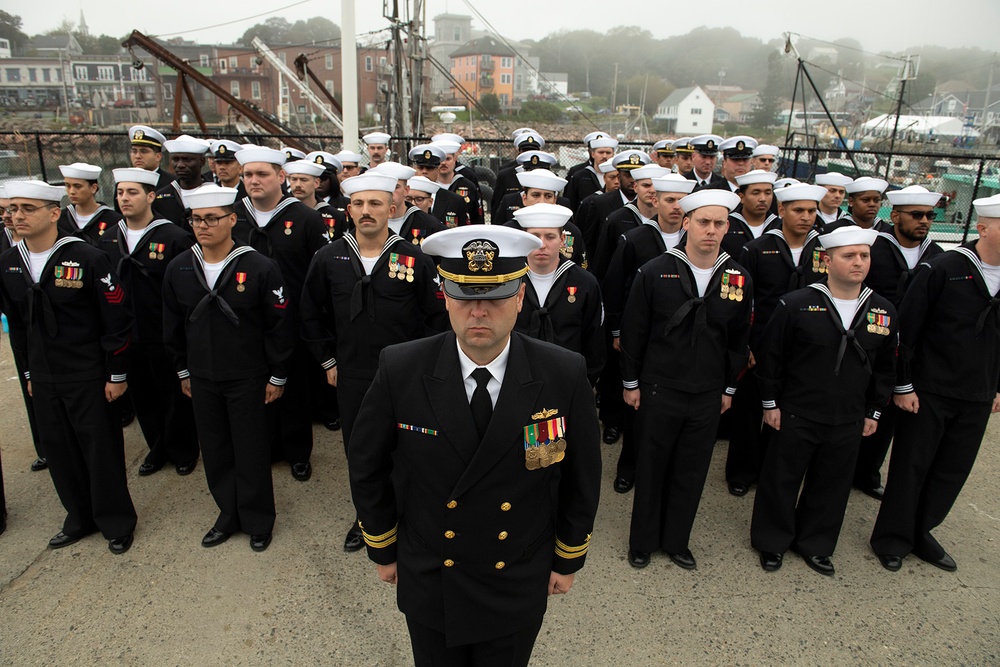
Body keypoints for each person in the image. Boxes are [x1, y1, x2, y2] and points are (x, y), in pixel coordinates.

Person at [349, 224, 601, 666]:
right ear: (444, 298)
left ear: (520, 298)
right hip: (432, 570)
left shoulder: (562, 372)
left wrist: (568, 557)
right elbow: (367, 464)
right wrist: (383, 547)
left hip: (517, 571)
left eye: (496, 296)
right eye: (464, 297)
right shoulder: (402, 367)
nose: (478, 312)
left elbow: (582, 474)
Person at [300, 172, 447, 552]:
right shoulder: (329, 257)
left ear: (392, 208)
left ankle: (407, 515)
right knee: (361, 452)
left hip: (404, 375)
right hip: (351, 375)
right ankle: (368, 520)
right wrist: (328, 360)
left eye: (376, 204)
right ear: (349, 209)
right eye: (360, 204)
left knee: (406, 448)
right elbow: (310, 313)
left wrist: (424, 365)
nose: (367, 211)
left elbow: (435, 316)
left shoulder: (413, 258)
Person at [751, 226, 897, 576]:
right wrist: (770, 404)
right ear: (827, 261)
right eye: (849, 256)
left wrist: (874, 411)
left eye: (864, 255)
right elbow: (772, 358)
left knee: (832, 485)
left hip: (848, 416)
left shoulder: (883, 310)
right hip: (797, 412)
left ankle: (816, 544)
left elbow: (887, 367)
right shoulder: (798, 304)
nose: (858, 262)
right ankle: (772, 542)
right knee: (781, 479)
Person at [0, 180, 136, 554]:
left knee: (100, 451)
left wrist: (116, 373)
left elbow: (117, 318)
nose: (17, 216)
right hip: (44, 376)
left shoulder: (87, 257)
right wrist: (28, 373)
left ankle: (116, 521)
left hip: (89, 374)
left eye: (28, 208)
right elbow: (17, 325)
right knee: (59, 452)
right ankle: (79, 517)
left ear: (54, 213)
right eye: (13, 209)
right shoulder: (10, 262)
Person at [621, 189, 751, 570]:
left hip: (708, 392)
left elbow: (739, 337)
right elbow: (634, 331)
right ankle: (642, 541)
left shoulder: (737, 276)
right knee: (652, 465)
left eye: (719, 223)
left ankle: (677, 541)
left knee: (692, 470)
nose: (711, 230)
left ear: (727, 227)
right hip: (660, 387)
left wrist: (729, 387)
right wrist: (631, 384)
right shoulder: (656, 270)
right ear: (688, 223)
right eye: (704, 222)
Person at [870, 193, 1000, 574]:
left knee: (951, 469)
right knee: (912, 465)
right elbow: (905, 333)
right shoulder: (944, 268)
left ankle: (922, 531)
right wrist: (904, 385)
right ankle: (892, 537)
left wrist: (997, 387)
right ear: (983, 228)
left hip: (977, 392)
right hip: (929, 390)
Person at [162, 184, 292, 552]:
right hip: (202, 376)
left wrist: (277, 374)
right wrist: (183, 371)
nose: (203, 226)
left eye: (212, 218)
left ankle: (257, 519)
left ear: (232, 220)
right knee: (216, 449)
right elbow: (171, 323)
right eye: (196, 219)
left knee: (250, 450)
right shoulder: (181, 266)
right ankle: (227, 515)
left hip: (248, 376)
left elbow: (279, 325)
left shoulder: (258, 266)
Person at [725, 181, 829, 497]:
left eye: (812, 211)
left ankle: (771, 468)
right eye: (798, 210)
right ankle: (741, 471)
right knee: (748, 412)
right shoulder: (756, 249)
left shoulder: (824, 250)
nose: (806, 217)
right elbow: (741, 299)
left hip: (802, 348)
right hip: (759, 346)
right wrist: (745, 344)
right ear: (781, 210)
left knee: (785, 413)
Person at [232, 146, 329, 482]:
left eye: (262, 174)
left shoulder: (305, 218)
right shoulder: (233, 215)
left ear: (281, 177)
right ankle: (268, 447)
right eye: (248, 174)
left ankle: (297, 451)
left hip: (293, 320)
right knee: (257, 387)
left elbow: (318, 274)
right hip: (246, 322)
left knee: (295, 389)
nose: (254, 181)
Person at [602, 174, 696, 491]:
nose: (676, 207)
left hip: (676, 340)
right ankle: (628, 467)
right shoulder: (636, 238)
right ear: (655, 201)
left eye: (683, 202)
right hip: (639, 332)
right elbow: (615, 285)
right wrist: (616, 329)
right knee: (635, 403)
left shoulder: (693, 242)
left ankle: (660, 470)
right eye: (670, 200)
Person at [853, 185, 944, 499]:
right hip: (870, 341)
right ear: (894, 216)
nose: (924, 221)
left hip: (911, 347)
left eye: (930, 216)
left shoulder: (936, 256)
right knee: (858, 406)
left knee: (888, 416)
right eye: (916, 215)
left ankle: (867, 472)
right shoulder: (872, 248)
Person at [107, 167, 198, 477]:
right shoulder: (110, 236)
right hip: (127, 334)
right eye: (120, 193)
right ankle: (157, 448)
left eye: (132, 192)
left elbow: (186, 288)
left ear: (150, 196)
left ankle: (183, 449)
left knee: (173, 395)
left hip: (164, 332)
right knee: (143, 396)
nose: (124, 199)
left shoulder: (172, 236)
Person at [512, 203, 605, 381]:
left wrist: (584, 382)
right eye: (535, 236)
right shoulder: (510, 280)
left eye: (550, 237)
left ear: (562, 239)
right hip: (517, 378)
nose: (542, 244)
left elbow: (594, 341)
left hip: (567, 379)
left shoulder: (585, 282)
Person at [0, 186, 45, 471]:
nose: (11, 215)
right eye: (7, 209)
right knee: (34, 395)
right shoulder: (5, 254)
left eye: (21, 209)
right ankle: (45, 447)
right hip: (27, 337)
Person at [502, 168, 588, 267]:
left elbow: (580, 269)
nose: (541, 201)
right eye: (536, 195)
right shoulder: (509, 231)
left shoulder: (571, 230)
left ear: (555, 200)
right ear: (524, 199)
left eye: (548, 196)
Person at [370, 162, 444, 246]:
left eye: (395, 187)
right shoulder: (365, 219)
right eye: (383, 187)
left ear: (406, 190)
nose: (390, 192)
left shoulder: (429, 224)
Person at [152, 135, 212, 230]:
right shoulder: (160, 198)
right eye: (175, 159)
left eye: (187, 159)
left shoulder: (213, 193)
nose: (180, 165)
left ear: (202, 161)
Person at [57, 163, 123, 247]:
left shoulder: (113, 219)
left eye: (77, 186)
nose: (71, 191)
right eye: (68, 186)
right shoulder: (60, 219)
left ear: (93, 188)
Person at [720, 169, 782, 258]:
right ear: (741, 197)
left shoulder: (779, 226)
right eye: (756, 193)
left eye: (768, 193)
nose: (763, 199)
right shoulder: (727, 224)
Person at [407, 144, 470, 228]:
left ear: (438, 171)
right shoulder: (405, 198)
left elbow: (462, 232)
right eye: (420, 168)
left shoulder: (455, 201)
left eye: (429, 168)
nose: (424, 172)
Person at [490, 130, 546, 218]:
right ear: (518, 151)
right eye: (525, 150)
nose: (529, 154)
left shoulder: (547, 176)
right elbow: (496, 205)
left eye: (533, 150)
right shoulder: (506, 175)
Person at [433, 137, 484, 225]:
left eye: (448, 159)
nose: (443, 163)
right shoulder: (429, 187)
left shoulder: (468, 186)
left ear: (455, 159)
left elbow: (477, 217)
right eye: (440, 160)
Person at [565, 134, 619, 212]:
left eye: (608, 153)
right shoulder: (579, 177)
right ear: (593, 154)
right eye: (600, 152)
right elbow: (570, 204)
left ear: (613, 154)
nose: (604, 156)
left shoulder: (620, 178)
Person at [128, 125, 175, 190]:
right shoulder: (125, 181)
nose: (137, 156)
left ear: (158, 156)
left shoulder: (172, 183)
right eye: (134, 151)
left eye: (144, 151)